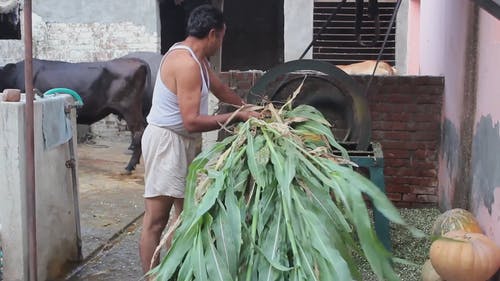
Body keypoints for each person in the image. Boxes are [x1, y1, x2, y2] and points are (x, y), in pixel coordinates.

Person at [139, 4, 257, 273]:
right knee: (156, 221)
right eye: (222, 38)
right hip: (167, 142)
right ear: (213, 34)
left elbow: (221, 89)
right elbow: (191, 121)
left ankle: (179, 272)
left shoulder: (199, 58)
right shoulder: (186, 63)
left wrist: (247, 107)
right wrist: (238, 117)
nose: (221, 43)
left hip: (184, 142)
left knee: (186, 216)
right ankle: (151, 278)